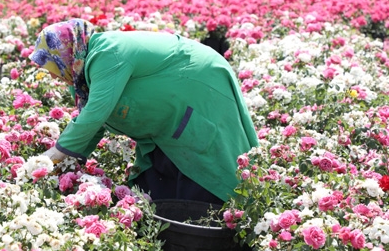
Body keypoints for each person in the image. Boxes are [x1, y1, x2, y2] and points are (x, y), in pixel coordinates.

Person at [29, 19, 258, 204]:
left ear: (67, 53)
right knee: (158, 185)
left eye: (52, 66)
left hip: (199, 84)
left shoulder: (108, 53)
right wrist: (70, 162)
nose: (51, 75)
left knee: (205, 168)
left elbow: (95, 114)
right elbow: (93, 121)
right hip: (164, 118)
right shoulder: (79, 77)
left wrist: (54, 155)